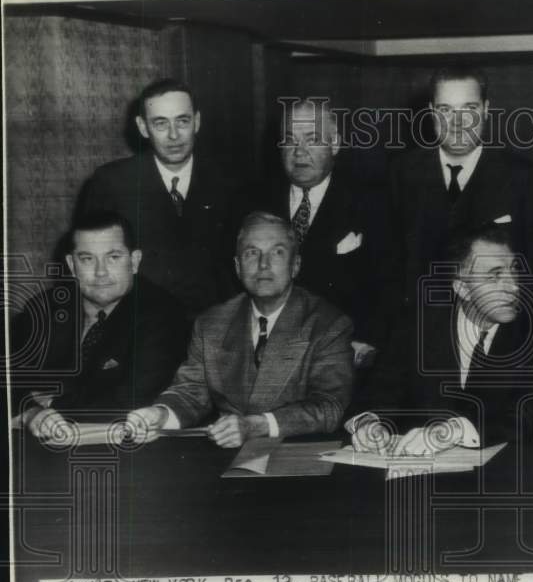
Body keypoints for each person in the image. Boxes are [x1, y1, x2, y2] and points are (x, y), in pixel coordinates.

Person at [127, 212, 353, 448]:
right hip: (224, 458)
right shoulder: (211, 323)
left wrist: (257, 426)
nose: (263, 264)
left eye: (277, 252)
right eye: (252, 253)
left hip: (296, 458)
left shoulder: (328, 324)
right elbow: (191, 392)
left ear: (295, 265)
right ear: (237, 267)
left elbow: (329, 406)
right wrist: (160, 414)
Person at [346, 224, 533, 453]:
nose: (514, 286)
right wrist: (368, 424)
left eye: (514, 270)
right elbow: (377, 393)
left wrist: (454, 431)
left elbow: (526, 417)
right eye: (495, 276)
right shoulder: (418, 328)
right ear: (462, 288)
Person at [11, 211, 188, 441]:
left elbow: (131, 401)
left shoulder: (163, 312)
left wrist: (52, 401)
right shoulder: (44, 308)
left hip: (130, 454)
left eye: (113, 257)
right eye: (87, 259)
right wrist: (32, 412)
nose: (101, 272)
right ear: (71, 265)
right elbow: (8, 381)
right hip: (38, 448)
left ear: (134, 262)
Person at [254, 97, 395, 364]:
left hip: (341, 355)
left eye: (312, 138)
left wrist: (366, 342)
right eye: (290, 139)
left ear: (335, 143)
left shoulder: (371, 204)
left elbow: (388, 285)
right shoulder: (253, 201)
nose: (299, 151)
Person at [79, 78, 235, 315]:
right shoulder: (111, 182)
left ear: (197, 121)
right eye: (160, 124)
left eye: (182, 121)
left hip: (216, 326)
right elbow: (94, 266)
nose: (174, 135)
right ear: (143, 127)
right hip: (140, 325)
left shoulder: (229, 181)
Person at [390, 67, 533, 305]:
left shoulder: (525, 178)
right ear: (431, 112)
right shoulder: (400, 174)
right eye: (446, 110)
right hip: (416, 328)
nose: (458, 122)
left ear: (485, 110)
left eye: (469, 109)